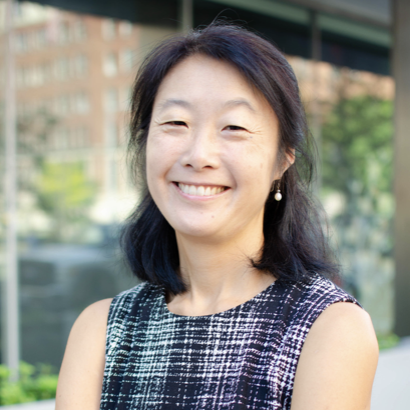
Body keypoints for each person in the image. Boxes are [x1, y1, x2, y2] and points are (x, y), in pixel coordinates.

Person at [56, 23, 378, 410]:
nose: (199, 155)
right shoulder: (102, 330)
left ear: (282, 159)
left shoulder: (327, 327)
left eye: (234, 127)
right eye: (176, 123)